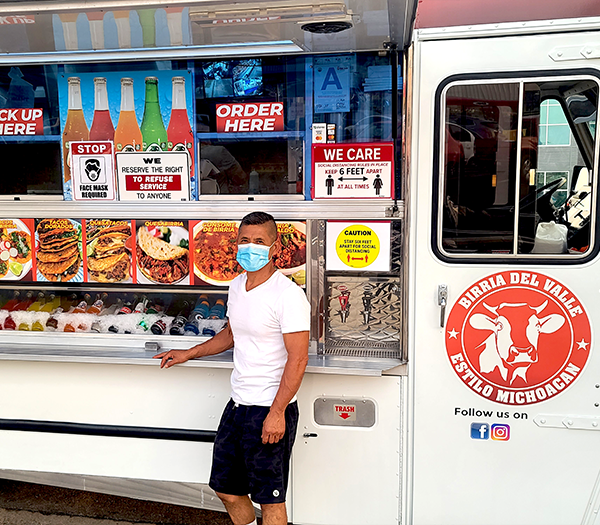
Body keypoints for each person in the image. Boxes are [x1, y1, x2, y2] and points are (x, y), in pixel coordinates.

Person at [154, 211, 310, 525]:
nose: (250, 248)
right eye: (244, 241)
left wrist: (277, 412)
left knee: (270, 500)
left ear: (275, 248)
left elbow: (298, 358)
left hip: (268, 407)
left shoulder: (288, 295)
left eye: (259, 242)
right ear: (236, 244)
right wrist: (190, 353)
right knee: (226, 489)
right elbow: (231, 334)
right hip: (238, 404)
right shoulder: (237, 285)